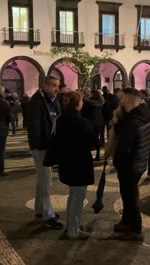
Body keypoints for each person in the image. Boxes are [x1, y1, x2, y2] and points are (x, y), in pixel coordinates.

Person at [51, 91, 95, 240]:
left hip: (66, 163)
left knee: (73, 196)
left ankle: (72, 225)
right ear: (78, 104)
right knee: (77, 198)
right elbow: (91, 143)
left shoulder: (60, 120)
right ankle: (73, 230)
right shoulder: (83, 122)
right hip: (80, 165)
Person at [113, 87, 150, 241]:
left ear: (128, 99)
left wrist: (117, 126)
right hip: (139, 161)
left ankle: (135, 228)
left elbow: (124, 145)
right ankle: (126, 221)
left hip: (130, 164)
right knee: (128, 193)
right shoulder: (143, 113)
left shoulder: (132, 121)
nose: (120, 100)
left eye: (122, 97)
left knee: (130, 195)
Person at [25, 76, 63, 229]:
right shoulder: (38, 101)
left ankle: (40, 210)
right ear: (45, 86)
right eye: (54, 86)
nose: (57, 89)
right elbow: (34, 126)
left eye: (57, 86)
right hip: (41, 146)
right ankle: (48, 215)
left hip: (47, 145)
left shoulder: (51, 101)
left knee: (42, 179)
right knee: (46, 180)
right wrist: (39, 145)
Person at [81, 90, 105, 161]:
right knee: (96, 139)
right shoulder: (101, 102)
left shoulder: (88, 102)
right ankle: (98, 155)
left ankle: (88, 156)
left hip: (90, 122)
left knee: (88, 139)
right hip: (99, 122)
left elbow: (84, 112)